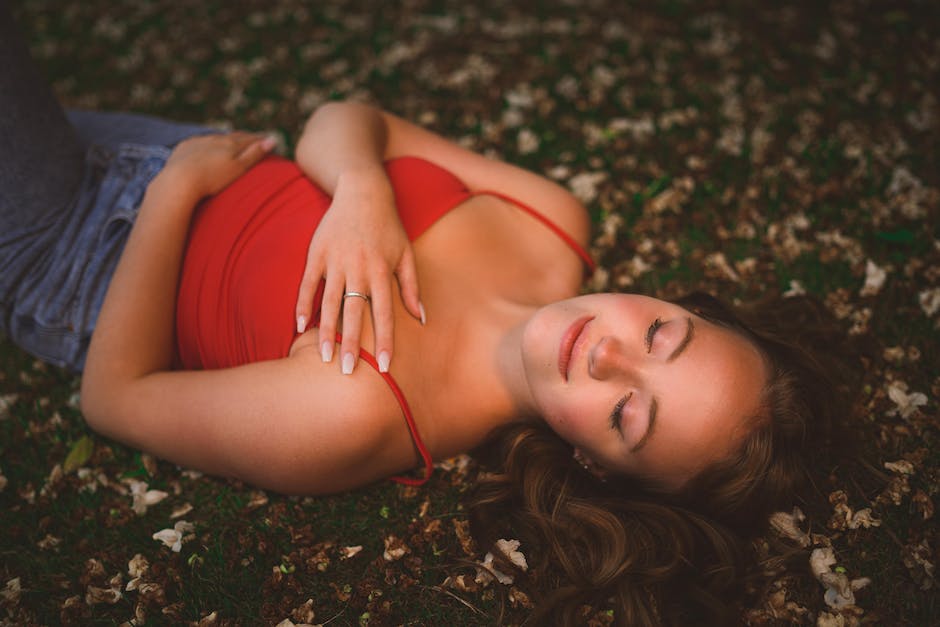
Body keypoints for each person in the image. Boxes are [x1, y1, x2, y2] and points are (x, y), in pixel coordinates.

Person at [1, 6, 855, 624]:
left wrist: (174, 192)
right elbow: (348, 120)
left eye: (630, 413)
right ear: (679, 304)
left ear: (596, 468)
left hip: (78, 253)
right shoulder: (554, 226)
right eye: (663, 334)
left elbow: (113, 396)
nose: (610, 355)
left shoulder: (359, 410)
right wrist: (362, 194)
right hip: (175, 142)